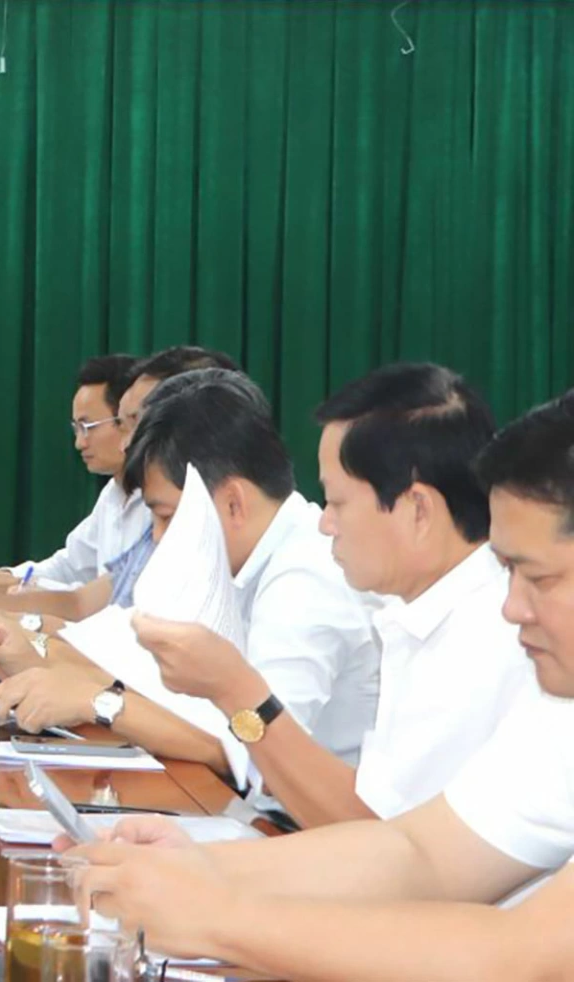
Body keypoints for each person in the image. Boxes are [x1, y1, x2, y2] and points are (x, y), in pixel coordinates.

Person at [70, 389, 574, 981]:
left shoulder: (499, 645)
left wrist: (216, 912)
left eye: (537, 577)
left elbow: (521, 957)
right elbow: (420, 853)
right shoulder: (556, 702)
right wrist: (204, 869)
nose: (512, 607)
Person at [134, 363, 531, 827]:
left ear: (417, 509)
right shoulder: (419, 614)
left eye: (338, 503)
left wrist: (234, 687)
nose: (325, 524)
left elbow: (386, 845)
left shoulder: (484, 635)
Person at [0, 371, 381, 782]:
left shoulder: (308, 578)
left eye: (165, 517)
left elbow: (255, 750)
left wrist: (100, 703)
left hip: (297, 826)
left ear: (233, 503)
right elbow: (141, 662)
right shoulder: (232, 557)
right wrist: (39, 656)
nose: (159, 539)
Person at [0, 347, 238, 632]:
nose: (126, 444)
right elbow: (82, 598)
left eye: (132, 424)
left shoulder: (243, 543)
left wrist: (13, 619)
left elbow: (122, 640)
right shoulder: (131, 498)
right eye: (125, 424)